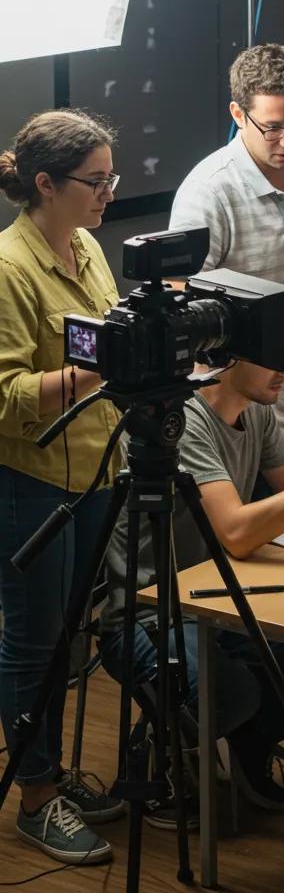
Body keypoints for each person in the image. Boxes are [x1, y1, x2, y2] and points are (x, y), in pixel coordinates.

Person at [99, 357, 284, 815]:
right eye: (270, 357)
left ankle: (248, 739)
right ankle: (154, 753)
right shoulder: (185, 419)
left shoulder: (256, 408)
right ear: (227, 359)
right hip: (154, 613)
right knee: (229, 693)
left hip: (223, 601)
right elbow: (236, 531)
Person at [0, 110, 125, 865]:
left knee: (66, 638)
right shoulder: (9, 268)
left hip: (94, 469)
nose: (108, 193)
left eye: (113, 178)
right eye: (95, 180)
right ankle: (35, 798)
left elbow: (100, 333)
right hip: (31, 480)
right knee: (33, 643)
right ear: (45, 184)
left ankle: (49, 770)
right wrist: (96, 368)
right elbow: (4, 393)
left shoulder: (85, 244)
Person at [169, 43, 284, 476]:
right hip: (241, 416)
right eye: (273, 128)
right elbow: (181, 304)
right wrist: (269, 352)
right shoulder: (208, 192)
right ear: (237, 114)